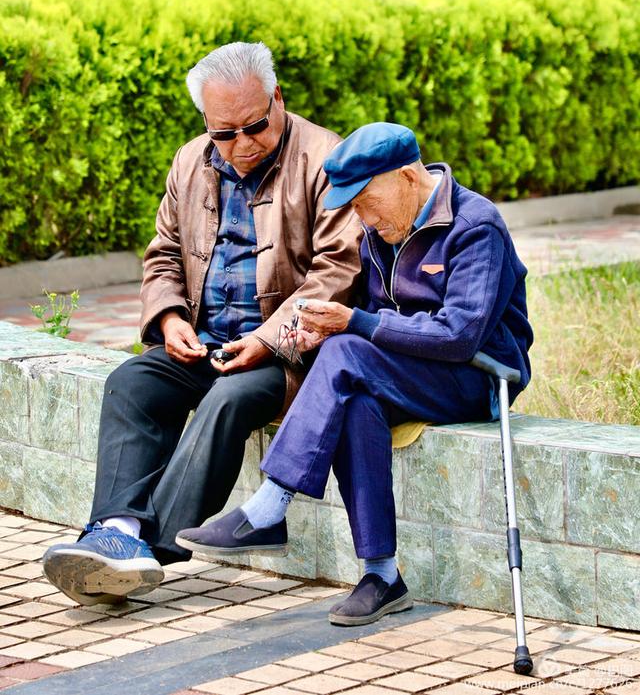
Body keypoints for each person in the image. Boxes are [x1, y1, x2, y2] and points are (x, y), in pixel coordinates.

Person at [176, 121, 534, 626]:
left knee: (346, 352)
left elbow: (460, 334)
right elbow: (373, 319)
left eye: (366, 200)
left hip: (477, 375)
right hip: (410, 371)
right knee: (354, 398)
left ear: (407, 176)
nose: (361, 216)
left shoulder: (476, 225)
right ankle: (382, 574)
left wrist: (353, 325)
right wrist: (318, 335)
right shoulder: (379, 230)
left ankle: (270, 508)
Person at [42, 42, 362, 605]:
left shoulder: (324, 159)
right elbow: (163, 253)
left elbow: (337, 270)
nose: (240, 144)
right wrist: (167, 319)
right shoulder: (190, 160)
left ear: (278, 98)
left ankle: (143, 547)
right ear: (205, 123)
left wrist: (266, 341)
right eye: (223, 132)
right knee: (131, 384)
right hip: (201, 343)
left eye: (254, 126)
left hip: (288, 356)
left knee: (227, 402)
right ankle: (118, 531)